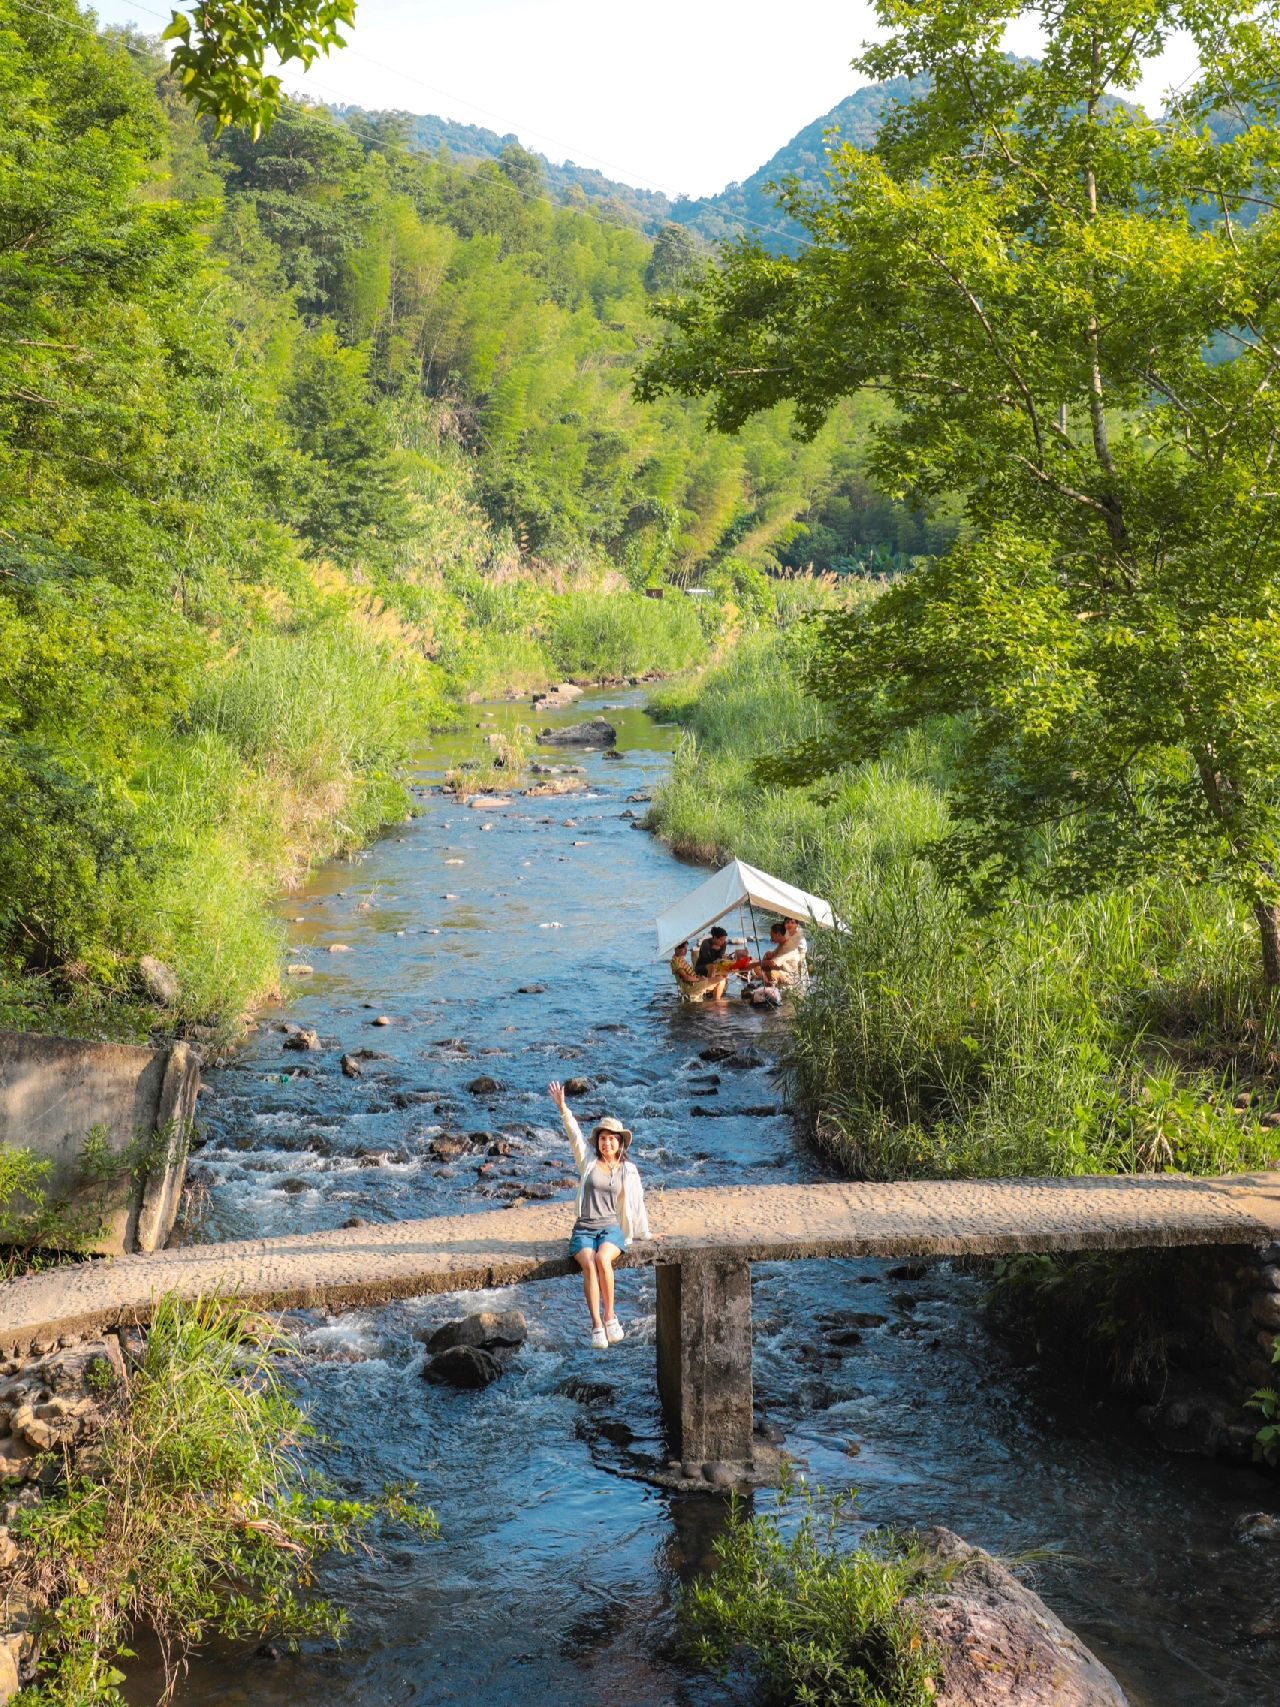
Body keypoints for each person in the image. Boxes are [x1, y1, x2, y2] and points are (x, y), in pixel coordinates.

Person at [549, 1080, 653, 1349]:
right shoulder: (589, 1161)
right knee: (588, 1263)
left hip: (610, 1229)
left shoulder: (628, 1171)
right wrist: (563, 1107)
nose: (607, 1143)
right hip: (583, 1228)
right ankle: (596, 1324)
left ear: (620, 1144)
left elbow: (636, 1204)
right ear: (598, 1142)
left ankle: (610, 1317)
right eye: (603, 1139)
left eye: (612, 1139)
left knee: (602, 1259)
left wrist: (645, 1233)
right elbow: (574, 1135)